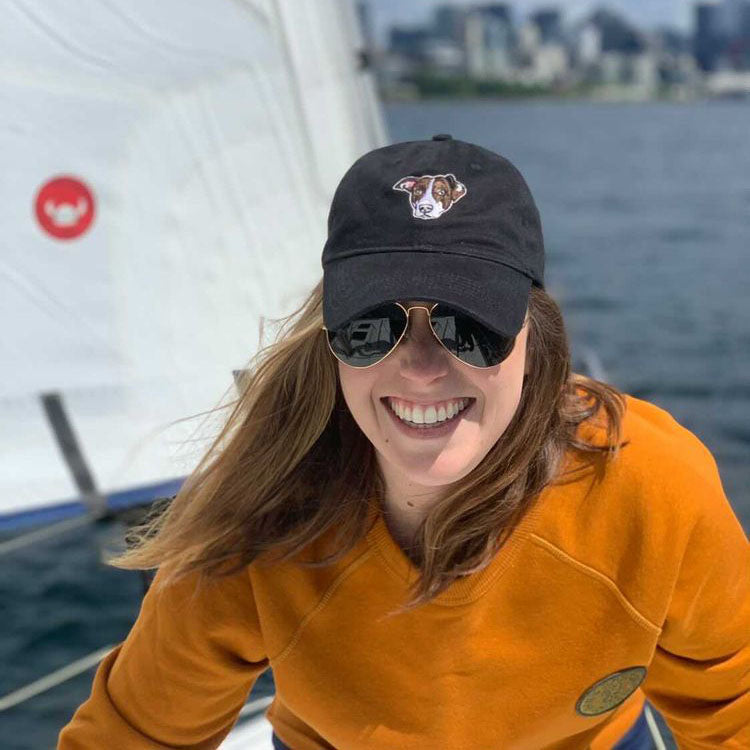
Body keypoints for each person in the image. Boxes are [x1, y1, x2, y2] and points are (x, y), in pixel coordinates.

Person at [58, 135, 749, 750]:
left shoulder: (653, 487)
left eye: (467, 325)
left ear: (534, 338)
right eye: (372, 327)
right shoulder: (265, 512)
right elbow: (137, 734)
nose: (420, 368)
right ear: (328, 340)